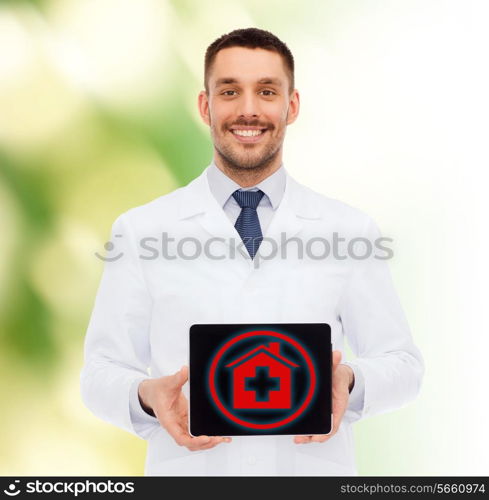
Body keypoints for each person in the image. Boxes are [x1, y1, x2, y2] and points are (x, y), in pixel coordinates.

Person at [81, 28, 424, 476]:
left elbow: (403, 364)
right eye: (229, 91)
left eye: (266, 91)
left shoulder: (348, 229)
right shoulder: (141, 230)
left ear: (291, 105)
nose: (248, 109)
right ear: (205, 107)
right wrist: (148, 396)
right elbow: (100, 373)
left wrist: (350, 382)